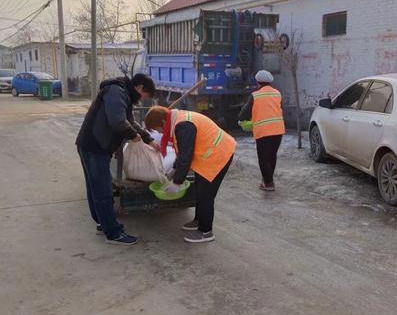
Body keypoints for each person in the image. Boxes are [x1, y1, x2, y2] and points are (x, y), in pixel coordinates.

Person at [76, 73, 160, 246]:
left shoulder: (124, 95)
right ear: (140, 88)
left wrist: (148, 138)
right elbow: (117, 121)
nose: (143, 100)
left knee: (95, 187)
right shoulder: (116, 91)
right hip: (95, 146)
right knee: (103, 191)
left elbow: (130, 121)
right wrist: (133, 136)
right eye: (146, 96)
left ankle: (102, 222)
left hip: (95, 145)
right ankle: (113, 233)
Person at [144, 106, 236, 244]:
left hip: (218, 155)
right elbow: (183, 152)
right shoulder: (177, 120)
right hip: (208, 155)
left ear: (163, 122)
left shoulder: (182, 125)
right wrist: (174, 170)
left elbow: (185, 156)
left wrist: (177, 182)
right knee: (199, 190)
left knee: (206, 195)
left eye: (159, 129)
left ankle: (205, 231)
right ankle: (198, 221)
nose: (160, 133)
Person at [238, 70, 285, 191]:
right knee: (271, 156)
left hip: (263, 131)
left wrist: (242, 119)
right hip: (278, 130)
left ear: (258, 82)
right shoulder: (278, 94)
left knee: (263, 158)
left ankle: (268, 183)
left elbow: (244, 113)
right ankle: (267, 180)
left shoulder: (255, 95)